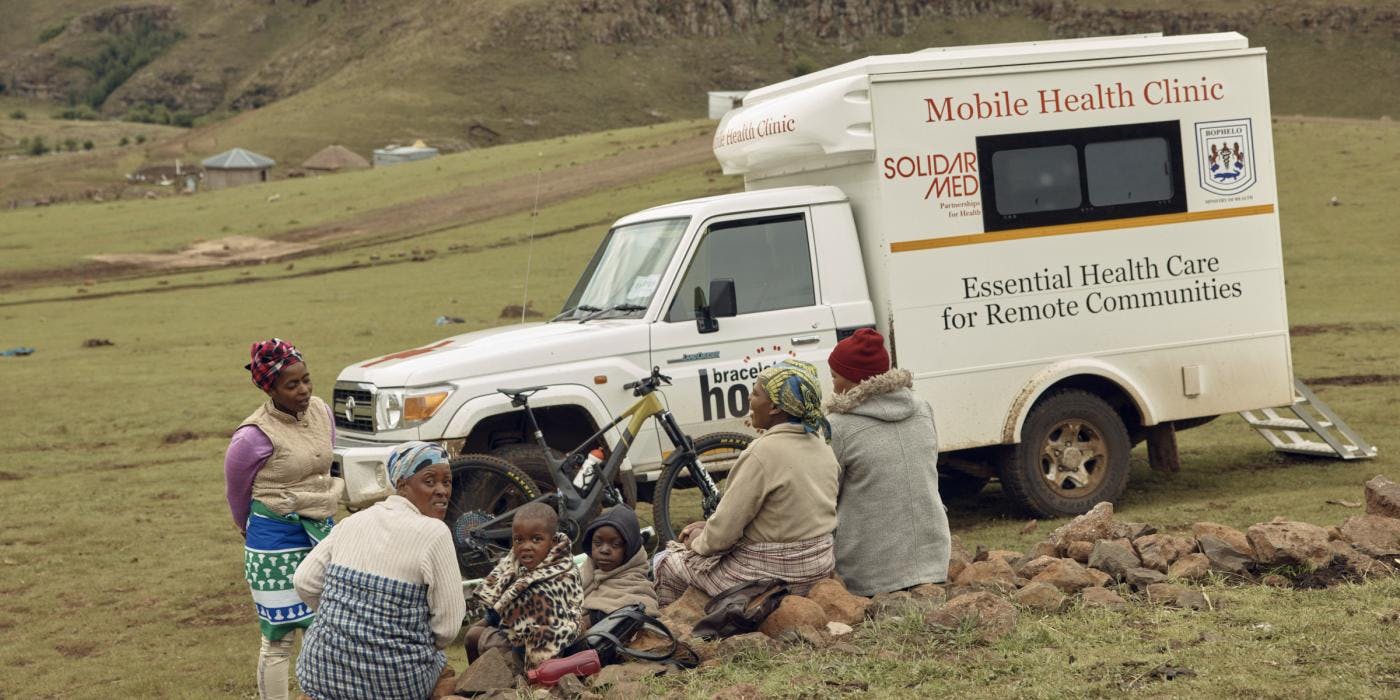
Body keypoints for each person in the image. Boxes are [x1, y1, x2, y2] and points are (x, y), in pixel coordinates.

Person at [654, 359, 840, 606]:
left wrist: (697, 540)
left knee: (665, 562)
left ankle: (679, 630)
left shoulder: (762, 453)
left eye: (755, 393)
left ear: (774, 407)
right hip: (817, 565)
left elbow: (721, 537)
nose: (750, 400)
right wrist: (709, 526)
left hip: (774, 576)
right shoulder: (821, 446)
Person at [293, 441, 465, 700]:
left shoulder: (353, 521)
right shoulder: (435, 533)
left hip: (321, 674)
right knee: (443, 668)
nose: (442, 491)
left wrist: (349, 622)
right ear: (403, 485)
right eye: (430, 482)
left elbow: (304, 581)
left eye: (447, 482)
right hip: (394, 684)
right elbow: (449, 628)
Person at [224, 338, 339, 700]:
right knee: (280, 636)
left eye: (306, 379)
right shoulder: (252, 436)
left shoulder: (321, 411)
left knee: (325, 628)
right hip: (274, 540)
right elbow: (237, 494)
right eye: (292, 385)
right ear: (269, 388)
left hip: (321, 531)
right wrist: (251, 531)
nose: (303, 390)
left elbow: (325, 465)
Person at [825, 328, 950, 596]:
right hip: (934, 560)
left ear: (853, 380)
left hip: (868, 575)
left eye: (835, 376)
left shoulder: (838, 427)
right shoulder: (923, 409)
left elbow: (826, 496)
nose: (832, 384)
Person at [467, 502, 583, 667]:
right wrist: (486, 621)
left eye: (536, 539)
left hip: (551, 647)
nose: (526, 546)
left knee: (475, 637)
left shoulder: (562, 575)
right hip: (512, 634)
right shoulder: (513, 566)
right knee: (472, 635)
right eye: (519, 539)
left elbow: (551, 632)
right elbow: (501, 603)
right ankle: (473, 684)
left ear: (552, 541)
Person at [578, 506, 659, 632]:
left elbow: (642, 609)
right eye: (597, 543)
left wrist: (594, 618)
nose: (604, 550)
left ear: (630, 549)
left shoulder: (635, 583)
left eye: (616, 544)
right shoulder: (583, 574)